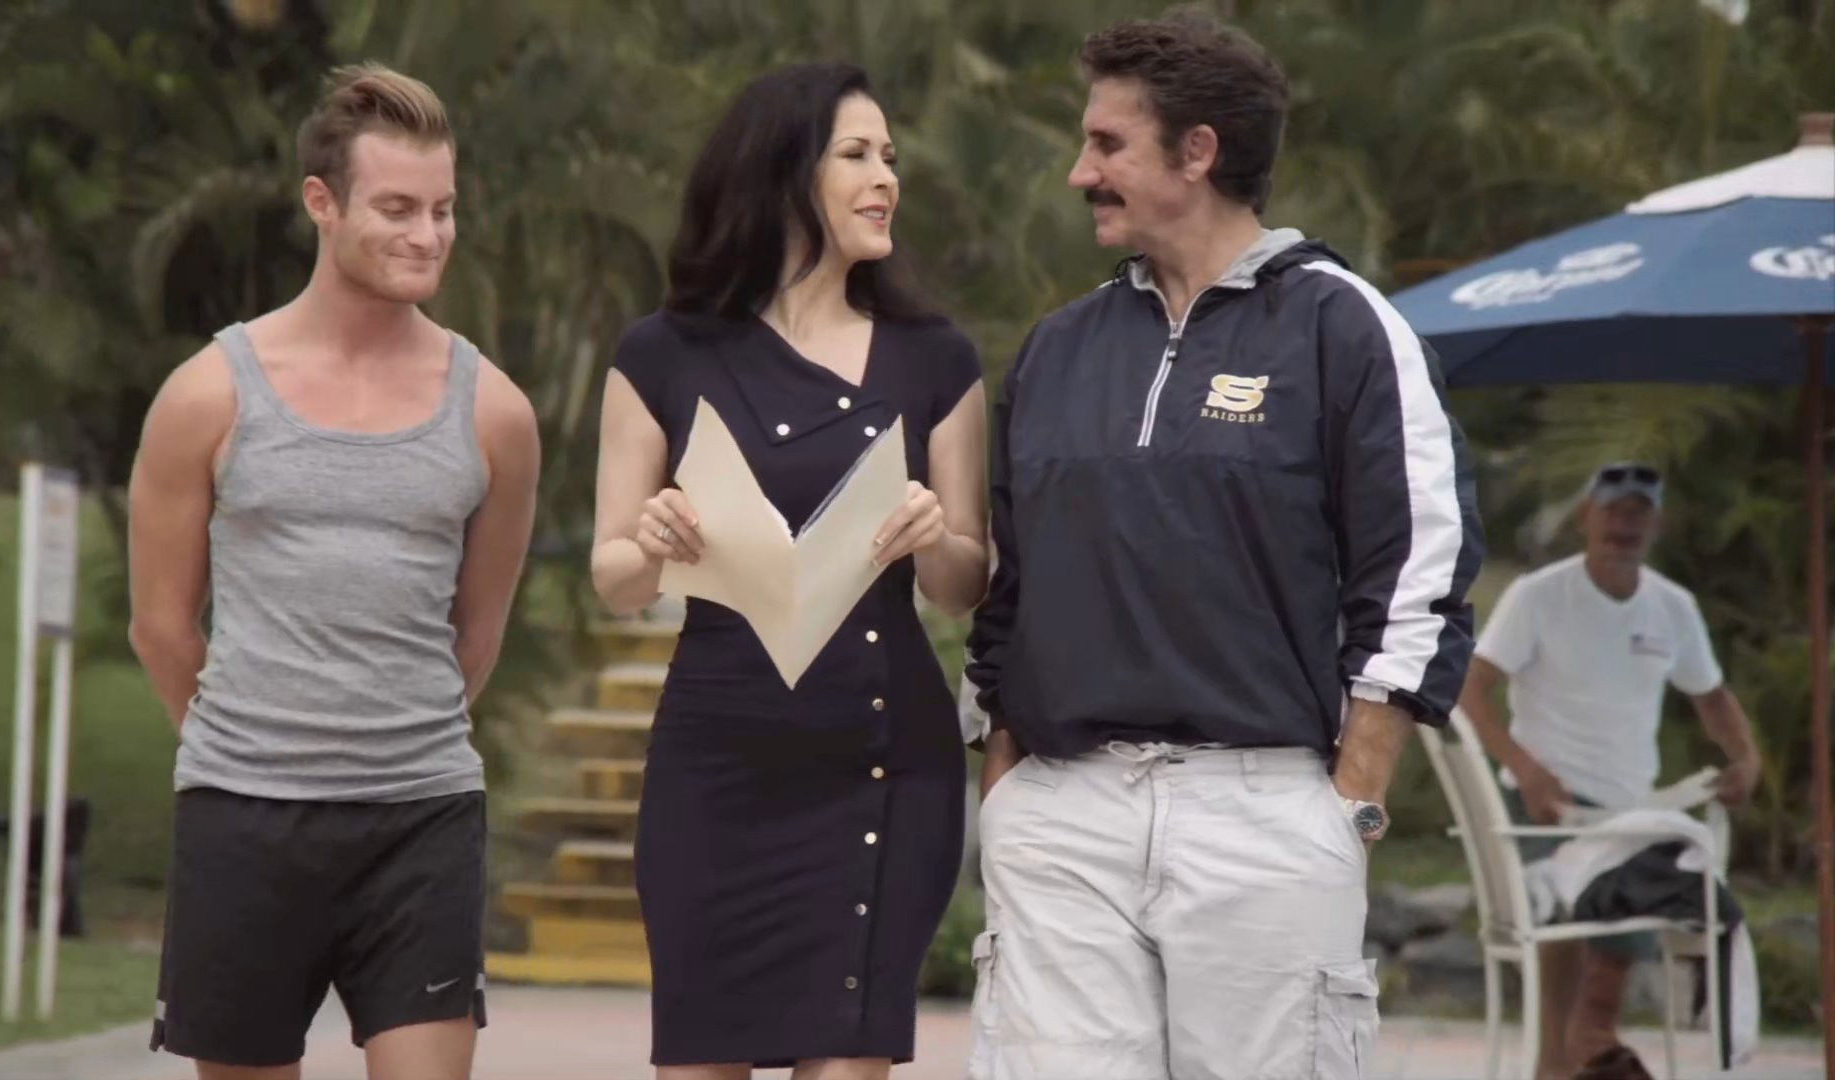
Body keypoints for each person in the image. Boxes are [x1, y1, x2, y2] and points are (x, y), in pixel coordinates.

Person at [961, 10, 1483, 1079]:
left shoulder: (1344, 328)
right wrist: (1006, 783)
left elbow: (1418, 571)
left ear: (1196, 151)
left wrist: (1350, 802)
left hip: (1264, 814)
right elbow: (1009, 584)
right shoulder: (1058, 349)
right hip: (1062, 816)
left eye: (1107, 144)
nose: (1080, 173)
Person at [127, 63, 541, 1080]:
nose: (428, 235)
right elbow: (162, 626)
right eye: (397, 208)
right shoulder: (208, 395)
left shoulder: (496, 413)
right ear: (323, 202)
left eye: (443, 209)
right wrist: (251, 743)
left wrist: (389, 736)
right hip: (243, 816)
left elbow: (478, 632)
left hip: (423, 818)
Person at [590, 63, 988, 1079]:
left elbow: (963, 585)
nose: (886, 178)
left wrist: (933, 535)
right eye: (857, 155)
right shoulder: (661, 354)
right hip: (716, 767)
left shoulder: (936, 358)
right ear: (781, 174)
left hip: (881, 764)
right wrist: (655, 542)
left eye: (890, 157)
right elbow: (615, 578)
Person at [1458, 462, 1761, 1080]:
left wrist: (1747, 759)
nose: (1624, 524)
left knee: (1663, 871)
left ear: (1657, 524)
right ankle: (1576, 1055)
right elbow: (1470, 689)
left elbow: (1712, 698)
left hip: (1631, 815)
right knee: (1578, 904)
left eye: (1638, 513)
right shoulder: (1538, 596)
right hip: (1545, 808)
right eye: (1613, 510)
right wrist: (1527, 770)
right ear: (1585, 518)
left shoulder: (1672, 606)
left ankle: (1588, 1047)